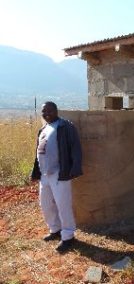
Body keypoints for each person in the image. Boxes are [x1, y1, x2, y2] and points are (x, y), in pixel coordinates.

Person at [31, 101, 83, 253]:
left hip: (60, 173)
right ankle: (55, 229)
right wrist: (36, 172)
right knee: (45, 204)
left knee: (63, 205)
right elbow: (38, 152)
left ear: (56, 111)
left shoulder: (65, 126)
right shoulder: (43, 129)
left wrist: (74, 168)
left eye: (49, 110)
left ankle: (68, 236)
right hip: (44, 175)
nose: (46, 113)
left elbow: (76, 148)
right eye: (43, 111)